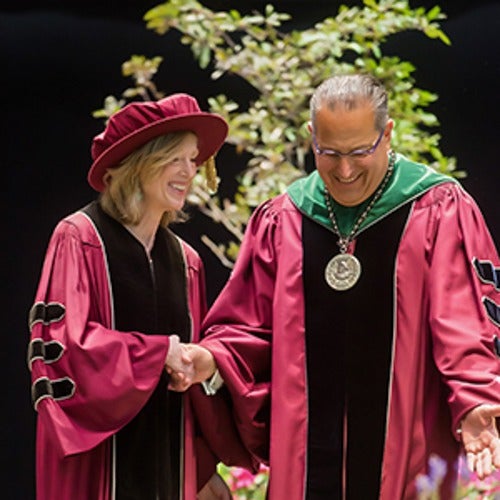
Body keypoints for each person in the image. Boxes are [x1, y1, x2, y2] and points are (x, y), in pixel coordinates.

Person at [171, 74, 500, 499]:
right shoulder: (283, 218)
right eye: (328, 153)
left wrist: (476, 401)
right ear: (311, 137)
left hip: (406, 456)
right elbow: (247, 326)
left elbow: (465, 319)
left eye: (360, 151)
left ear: (387, 134)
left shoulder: (438, 209)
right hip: (304, 461)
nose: (344, 171)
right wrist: (211, 357)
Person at [27, 93, 251, 500]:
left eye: (193, 159)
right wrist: (156, 354)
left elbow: (191, 394)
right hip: (96, 466)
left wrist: (201, 472)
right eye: (176, 158)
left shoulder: (187, 263)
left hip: (168, 466)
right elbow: (66, 352)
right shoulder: (79, 238)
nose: (190, 171)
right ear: (142, 162)